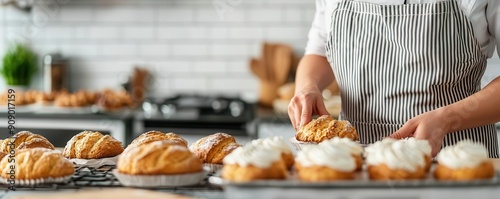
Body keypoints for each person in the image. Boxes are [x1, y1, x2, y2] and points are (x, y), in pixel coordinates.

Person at [288, 0, 500, 157]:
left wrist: (446, 118)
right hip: (353, 166)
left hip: (456, 161)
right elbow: (319, 51)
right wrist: (307, 86)